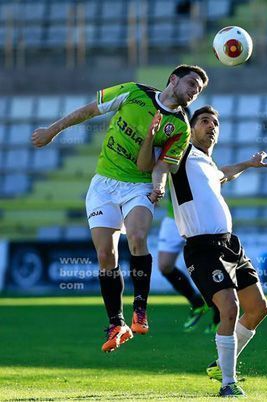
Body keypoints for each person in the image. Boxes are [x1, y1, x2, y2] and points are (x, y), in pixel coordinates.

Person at [31, 64, 208, 352]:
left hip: (139, 186)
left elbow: (159, 165)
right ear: (173, 80)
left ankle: (140, 307)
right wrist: (53, 131)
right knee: (105, 255)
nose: (193, 92)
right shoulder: (133, 92)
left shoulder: (180, 128)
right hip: (104, 184)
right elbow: (89, 110)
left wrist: (159, 185)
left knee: (138, 237)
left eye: (198, 90)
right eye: (190, 84)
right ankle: (116, 322)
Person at [138, 105, 267, 397]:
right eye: (204, 121)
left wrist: (248, 164)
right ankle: (227, 383)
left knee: (259, 308)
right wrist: (158, 185)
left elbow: (223, 174)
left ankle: (222, 365)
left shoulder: (207, 164)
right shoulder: (182, 153)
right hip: (202, 247)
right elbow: (155, 164)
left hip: (230, 244)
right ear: (192, 127)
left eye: (215, 123)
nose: (211, 126)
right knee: (229, 307)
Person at [158, 192, 220, 333]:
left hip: (198, 220)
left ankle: (219, 316)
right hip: (173, 219)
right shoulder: (166, 168)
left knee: (207, 267)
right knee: (165, 266)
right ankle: (197, 302)